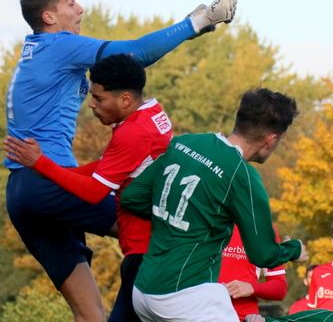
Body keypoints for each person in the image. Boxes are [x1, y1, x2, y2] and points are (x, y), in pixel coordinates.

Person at [4, 0, 236, 322]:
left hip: (24, 192)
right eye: (70, 2)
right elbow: (136, 54)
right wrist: (198, 22)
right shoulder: (60, 46)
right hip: (49, 182)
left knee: (89, 315)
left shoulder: (34, 52)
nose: (80, 8)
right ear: (49, 17)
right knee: (168, 231)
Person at [4, 53, 171, 322]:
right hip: (156, 248)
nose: (91, 105)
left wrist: (41, 164)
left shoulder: (132, 134)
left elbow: (94, 192)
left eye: (99, 98)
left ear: (125, 99)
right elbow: (107, 166)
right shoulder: (152, 114)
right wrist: (50, 171)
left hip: (146, 252)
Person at [120, 88, 308, 322]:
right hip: (185, 296)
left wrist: (178, 216)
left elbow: (131, 198)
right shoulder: (242, 174)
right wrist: (295, 250)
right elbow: (263, 255)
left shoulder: (184, 142)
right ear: (272, 139)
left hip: (143, 292)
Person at [220, 224, 289, 321]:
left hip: (245, 318)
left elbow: (280, 288)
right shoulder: (202, 220)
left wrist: (252, 288)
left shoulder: (264, 229)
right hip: (202, 316)